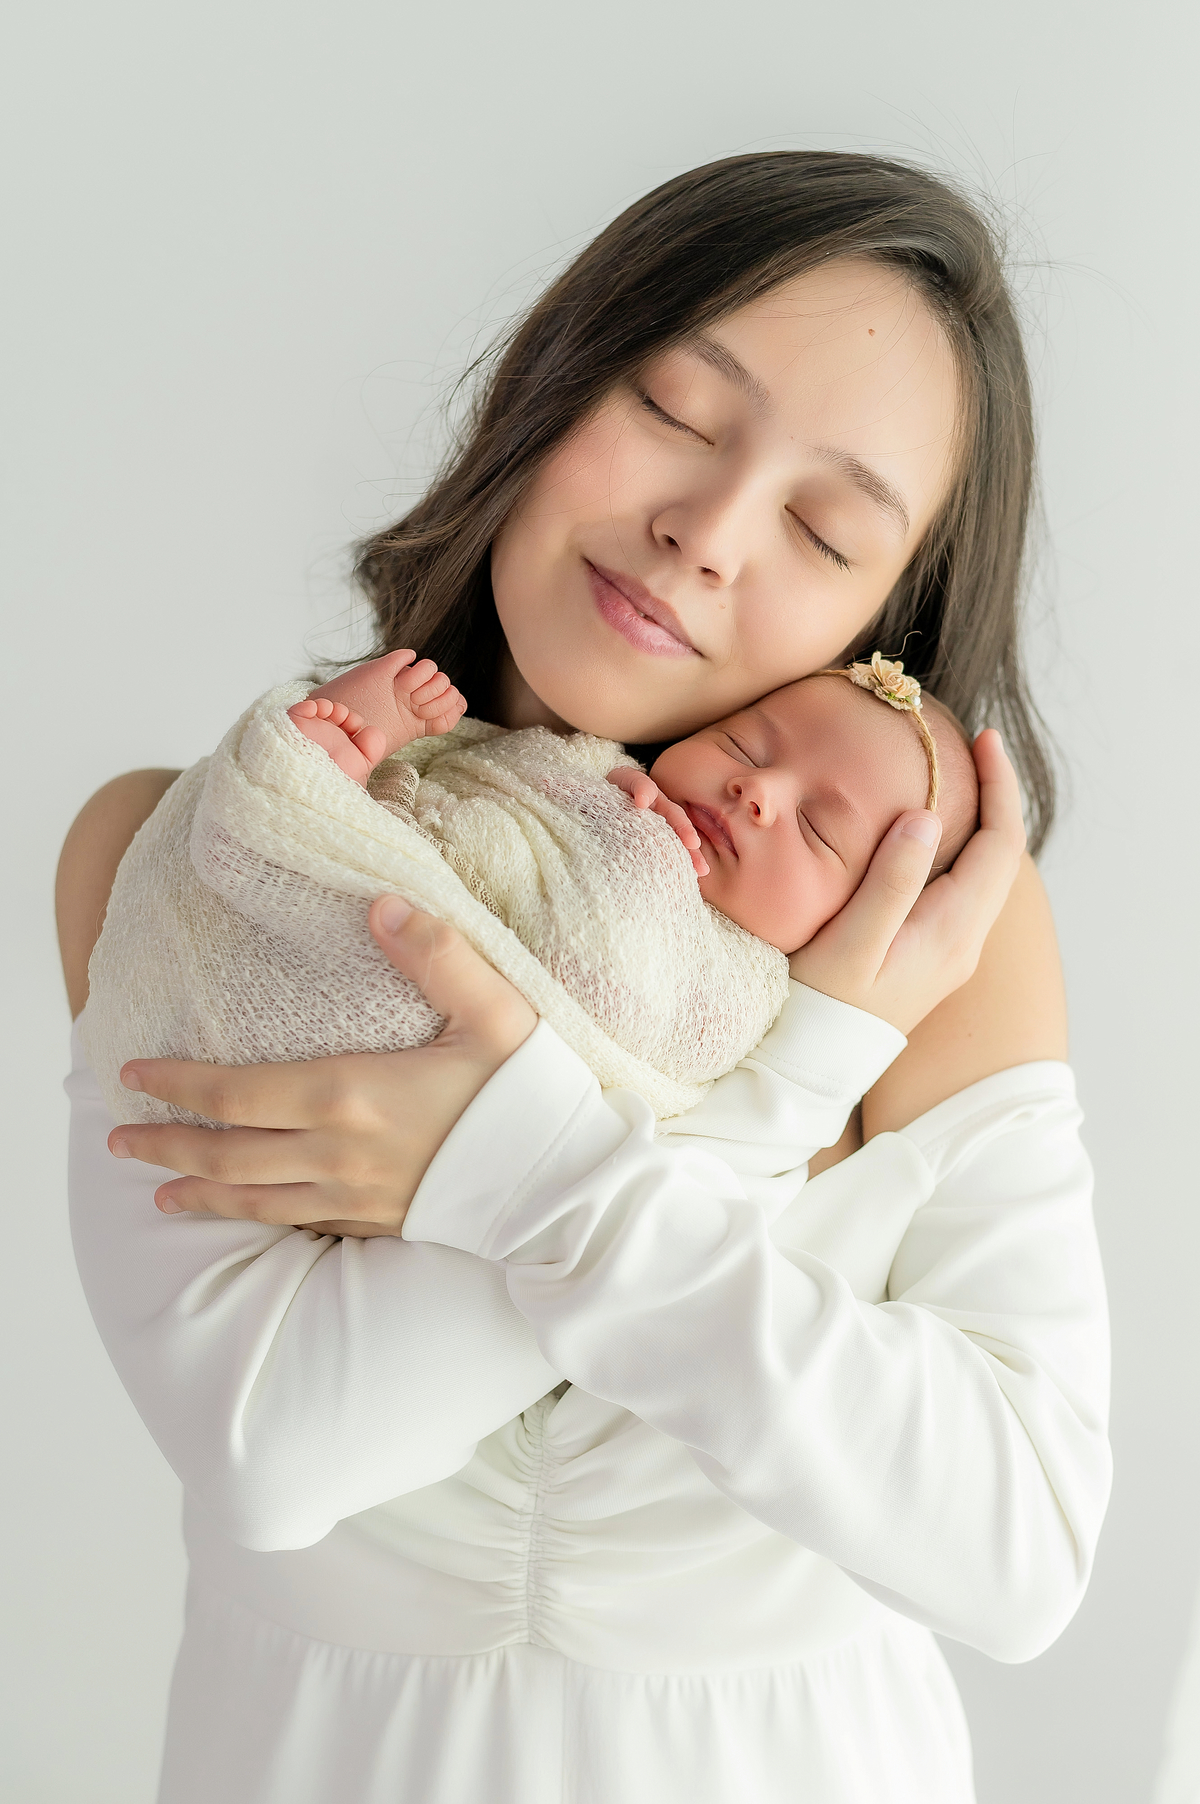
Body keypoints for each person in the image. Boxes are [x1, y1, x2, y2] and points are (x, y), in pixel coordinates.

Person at [57, 151, 1111, 1803]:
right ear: (550, 382)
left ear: (878, 625)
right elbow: (274, 1453)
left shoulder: (918, 935)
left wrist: (543, 1173)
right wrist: (740, 1124)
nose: (705, 534)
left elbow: (1017, 1553)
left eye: (826, 528)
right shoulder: (213, 859)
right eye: (680, 411)